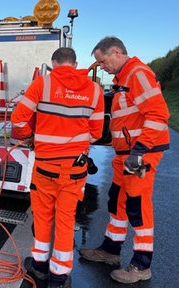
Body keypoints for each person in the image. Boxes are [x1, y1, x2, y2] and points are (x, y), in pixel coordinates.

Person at [11, 47, 105, 288]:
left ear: (54, 63)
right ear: (75, 64)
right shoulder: (95, 90)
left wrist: (29, 137)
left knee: (42, 219)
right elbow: (96, 132)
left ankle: (40, 268)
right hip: (74, 170)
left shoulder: (43, 84)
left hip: (44, 167)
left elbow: (18, 120)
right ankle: (59, 277)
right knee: (65, 222)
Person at [79, 36, 170, 284]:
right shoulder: (123, 79)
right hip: (126, 153)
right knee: (117, 200)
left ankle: (142, 265)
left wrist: (139, 150)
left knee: (137, 204)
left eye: (103, 61)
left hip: (140, 153)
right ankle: (110, 250)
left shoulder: (137, 74)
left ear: (117, 52)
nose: (102, 66)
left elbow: (159, 114)